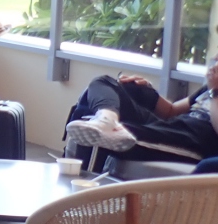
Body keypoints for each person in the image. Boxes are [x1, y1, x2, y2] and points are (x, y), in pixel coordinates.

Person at [64, 59, 218, 164]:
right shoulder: (208, 88)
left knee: (101, 134)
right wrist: (147, 91)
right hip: (174, 125)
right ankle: (106, 118)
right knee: (103, 82)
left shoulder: (214, 88)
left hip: (194, 139)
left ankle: (84, 197)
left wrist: (215, 90)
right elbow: (172, 111)